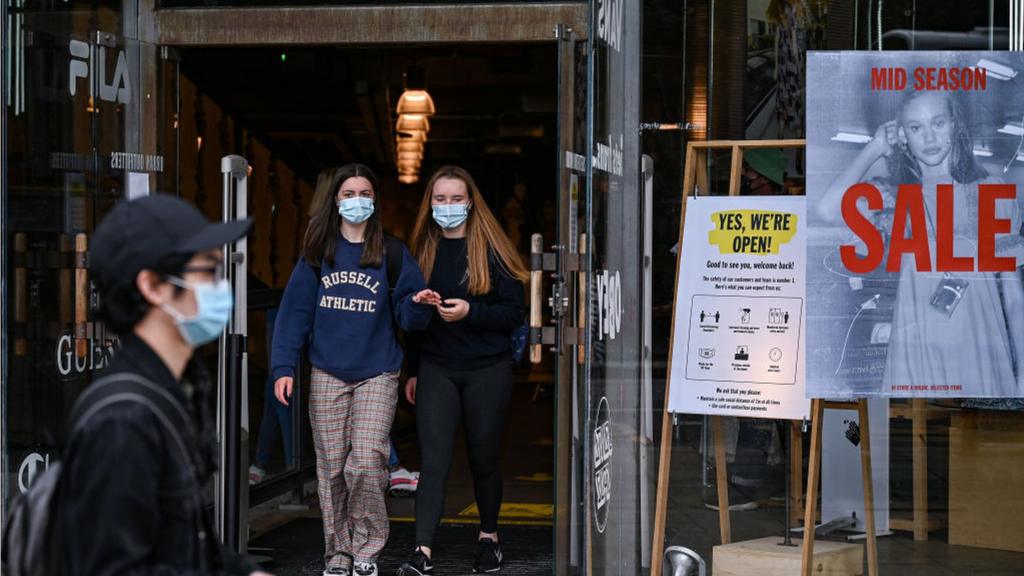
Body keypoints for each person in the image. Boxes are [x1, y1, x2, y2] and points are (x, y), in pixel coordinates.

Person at [58, 194, 270, 576]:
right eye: (208, 272)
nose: (222, 288)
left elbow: (185, 536)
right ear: (154, 286)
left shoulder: (176, 389)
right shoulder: (123, 420)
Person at [271, 164, 439, 576]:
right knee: (330, 467)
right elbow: (294, 314)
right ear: (336, 201)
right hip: (327, 370)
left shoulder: (392, 252)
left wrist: (418, 305)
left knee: (365, 460)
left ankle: (367, 548)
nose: (357, 200)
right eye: (349, 193)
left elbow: (408, 316)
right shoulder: (318, 253)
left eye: (365, 192)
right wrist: (282, 366)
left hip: (377, 372)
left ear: (374, 201)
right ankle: (338, 552)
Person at [819, 90, 1024, 396]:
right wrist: (875, 146)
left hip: (980, 354)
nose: (929, 137)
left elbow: (1014, 297)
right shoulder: (894, 199)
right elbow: (827, 210)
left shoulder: (991, 192)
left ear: (956, 125)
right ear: (903, 135)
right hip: (914, 359)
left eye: (938, 123)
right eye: (916, 128)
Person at [397, 166, 529, 576]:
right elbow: (410, 323)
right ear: (430, 204)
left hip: (487, 368)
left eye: (456, 199)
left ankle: (488, 538)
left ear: (471, 203)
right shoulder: (420, 249)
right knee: (433, 461)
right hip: (437, 367)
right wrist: (414, 370)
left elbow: (514, 313)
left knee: (484, 456)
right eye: (440, 199)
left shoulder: (493, 249)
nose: (448, 207)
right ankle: (423, 551)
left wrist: (471, 312)